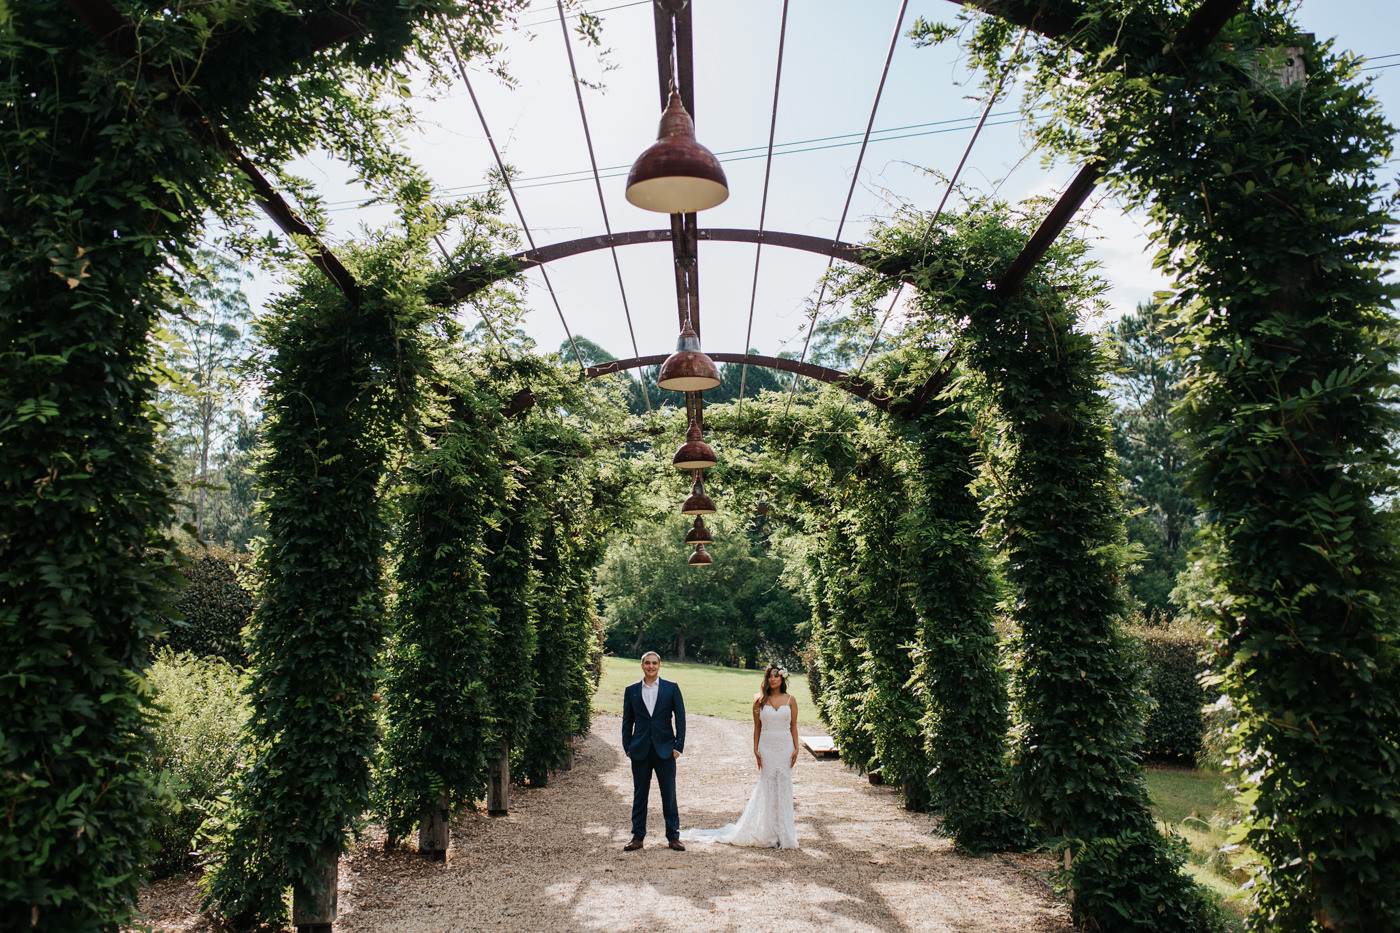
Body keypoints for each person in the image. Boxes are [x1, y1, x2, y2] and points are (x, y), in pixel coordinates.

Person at [682, 664, 800, 849]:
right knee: (767, 783)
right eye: (770, 676)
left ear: (782, 678)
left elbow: (793, 725)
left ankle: (785, 834)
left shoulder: (791, 700)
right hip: (767, 746)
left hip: (785, 746)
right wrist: (755, 749)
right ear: (766, 678)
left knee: (784, 784)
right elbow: (757, 727)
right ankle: (767, 832)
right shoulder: (759, 700)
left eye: (777, 676)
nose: (773, 679)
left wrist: (796, 747)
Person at [621, 651, 687, 851]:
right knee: (640, 794)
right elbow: (627, 721)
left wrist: (678, 747)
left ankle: (673, 836)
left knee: (669, 794)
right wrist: (627, 748)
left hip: (665, 750)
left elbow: (680, 718)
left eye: (654, 663)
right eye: (647, 663)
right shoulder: (631, 690)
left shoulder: (671, 688)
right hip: (640, 750)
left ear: (660, 666)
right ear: (642, 666)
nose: (651, 666)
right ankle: (638, 836)